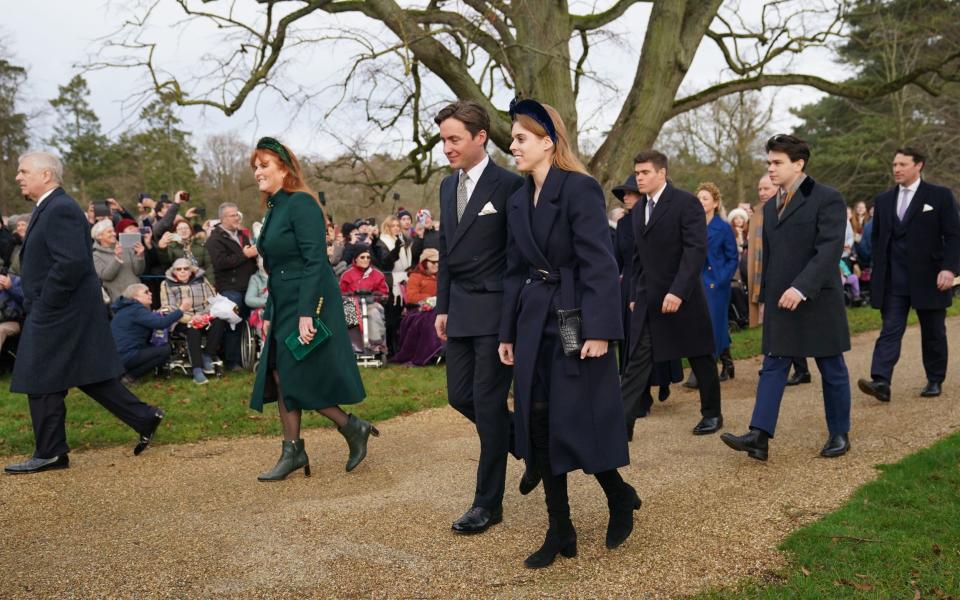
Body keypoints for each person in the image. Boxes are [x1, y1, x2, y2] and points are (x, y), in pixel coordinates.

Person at [499, 98, 639, 569]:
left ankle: (619, 497)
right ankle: (561, 528)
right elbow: (513, 270)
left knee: (579, 420)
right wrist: (507, 333)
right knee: (538, 424)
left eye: (520, 137)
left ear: (547, 142)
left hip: (576, 319)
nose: (512, 145)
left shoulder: (580, 189)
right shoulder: (518, 199)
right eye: (512, 137)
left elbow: (601, 261)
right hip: (532, 319)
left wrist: (600, 328)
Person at [5, 152, 165, 474]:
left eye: (24, 171)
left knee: (39, 375)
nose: (18, 177)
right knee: (85, 373)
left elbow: (71, 263)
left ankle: (50, 452)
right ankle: (144, 416)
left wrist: (45, 301)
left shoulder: (60, 208)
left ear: (46, 175)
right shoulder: (50, 206)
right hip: (62, 309)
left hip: (58, 310)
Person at [249, 137, 377, 481]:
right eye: (256, 166)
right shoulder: (275, 206)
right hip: (283, 300)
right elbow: (277, 265)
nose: (258, 172)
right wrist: (270, 312)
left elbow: (314, 261)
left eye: (265, 165)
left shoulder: (301, 203)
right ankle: (294, 449)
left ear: (284, 169)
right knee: (279, 372)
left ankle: (349, 427)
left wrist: (307, 312)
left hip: (307, 299)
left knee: (292, 373)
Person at [721, 134, 852, 461]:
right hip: (781, 301)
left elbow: (828, 250)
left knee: (831, 366)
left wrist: (802, 287)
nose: (771, 168)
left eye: (777, 162)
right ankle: (759, 436)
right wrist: (763, 296)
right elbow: (771, 257)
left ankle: (839, 433)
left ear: (799, 163)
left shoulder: (827, 198)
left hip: (818, 299)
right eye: (769, 163)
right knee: (773, 365)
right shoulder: (770, 206)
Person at [433, 99, 530, 535]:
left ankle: (487, 504)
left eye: (454, 139)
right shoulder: (445, 187)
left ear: (480, 137)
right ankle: (531, 448)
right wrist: (443, 306)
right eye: (443, 140)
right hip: (461, 311)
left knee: (489, 407)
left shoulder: (510, 186)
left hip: (495, 313)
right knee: (460, 397)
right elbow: (448, 253)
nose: (447, 148)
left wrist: (512, 319)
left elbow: (518, 260)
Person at [622, 150, 723, 438]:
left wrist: (678, 291)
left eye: (645, 173)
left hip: (685, 298)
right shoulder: (639, 210)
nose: (639, 178)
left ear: (662, 173)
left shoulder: (686, 203)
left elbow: (695, 250)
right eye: (637, 173)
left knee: (700, 356)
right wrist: (632, 294)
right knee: (637, 360)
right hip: (648, 298)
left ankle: (712, 414)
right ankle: (623, 422)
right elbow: (637, 259)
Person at [858, 147, 960, 402]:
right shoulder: (883, 201)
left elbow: (954, 236)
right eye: (894, 165)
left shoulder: (940, 196)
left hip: (931, 278)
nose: (897, 169)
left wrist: (949, 269)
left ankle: (935, 378)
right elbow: (880, 240)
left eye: (903, 164)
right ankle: (881, 381)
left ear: (919, 165)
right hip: (894, 279)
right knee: (890, 329)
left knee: (933, 331)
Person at [612, 174, 681, 417]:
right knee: (631, 341)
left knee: (653, 337)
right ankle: (639, 396)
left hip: (652, 284)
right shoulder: (621, 225)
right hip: (627, 287)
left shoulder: (654, 220)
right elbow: (617, 260)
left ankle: (661, 380)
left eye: (630, 193)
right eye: (624, 195)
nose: (626, 198)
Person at [747, 174, 811, 386]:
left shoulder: (786, 210)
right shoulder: (759, 212)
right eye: (760, 189)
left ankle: (780, 365)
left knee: (784, 323)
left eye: (766, 188)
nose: (762, 193)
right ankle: (795, 367)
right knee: (775, 322)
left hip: (786, 275)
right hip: (761, 271)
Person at [206, 202, 258, 371]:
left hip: (249, 285)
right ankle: (231, 361)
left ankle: (246, 358)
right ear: (222, 218)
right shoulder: (214, 239)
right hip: (231, 288)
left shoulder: (243, 234)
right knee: (233, 325)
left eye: (237, 214)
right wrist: (244, 254)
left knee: (247, 323)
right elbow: (221, 263)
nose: (237, 218)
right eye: (232, 215)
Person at [160, 258, 228, 385]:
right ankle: (197, 369)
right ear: (174, 272)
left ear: (191, 270)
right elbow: (169, 307)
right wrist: (190, 318)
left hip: (204, 315)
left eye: (186, 268)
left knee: (219, 321)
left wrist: (205, 315)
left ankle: (207, 355)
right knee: (193, 328)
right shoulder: (166, 284)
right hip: (181, 319)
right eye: (179, 269)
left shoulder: (202, 279)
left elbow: (213, 299)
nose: (182, 271)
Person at [697, 182, 739, 382]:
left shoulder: (723, 228)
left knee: (714, 322)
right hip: (696, 282)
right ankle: (727, 361)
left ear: (715, 203)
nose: (701, 202)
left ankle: (707, 367)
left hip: (716, 284)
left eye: (705, 198)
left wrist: (722, 279)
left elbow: (733, 258)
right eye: (698, 198)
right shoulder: (693, 225)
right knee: (709, 323)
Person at [111, 283, 191, 383]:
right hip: (126, 356)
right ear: (135, 296)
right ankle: (130, 376)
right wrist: (181, 309)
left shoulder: (127, 309)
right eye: (146, 292)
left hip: (116, 356)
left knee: (155, 346)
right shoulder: (136, 310)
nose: (151, 293)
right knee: (164, 350)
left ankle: (126, 373)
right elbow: (161, 324)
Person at [391, 248, 443, 365]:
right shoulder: (415, 276)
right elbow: (411, 296)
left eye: (438, 262)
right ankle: (429, 352)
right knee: (429, 319)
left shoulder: (442, 276)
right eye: (433, 262)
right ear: (424, 262)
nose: (436, 265)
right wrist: (430, 298)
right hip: (418, 309)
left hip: (439, 308)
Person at [373, 215, 413, 353]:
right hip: (390, 282)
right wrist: (396, 249)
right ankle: (390, 347)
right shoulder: (382, 242)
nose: (396, 228)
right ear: (387, 227)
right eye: (393, 226)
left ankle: (400, 346)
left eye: (398, 225)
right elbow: (386, 263)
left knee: (402, 316)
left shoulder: (401, 240)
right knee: (391, 316)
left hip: (404, 279)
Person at [91, 219, 146, 303]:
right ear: (99, 236)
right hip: (119, 299)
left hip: (139, 296)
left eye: (113, 231)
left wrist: (140, 256)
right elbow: (106, 276)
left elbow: (138, 271)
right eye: (109, 232)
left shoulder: (125, 247)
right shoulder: (96, 255)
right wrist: (117, 258)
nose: (113, 234)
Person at [0, 269, 25, 353]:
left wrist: (10, 288)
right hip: (2, 318)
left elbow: (26, 302)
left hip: (17, 321)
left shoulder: (17, 281)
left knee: (1, 329)